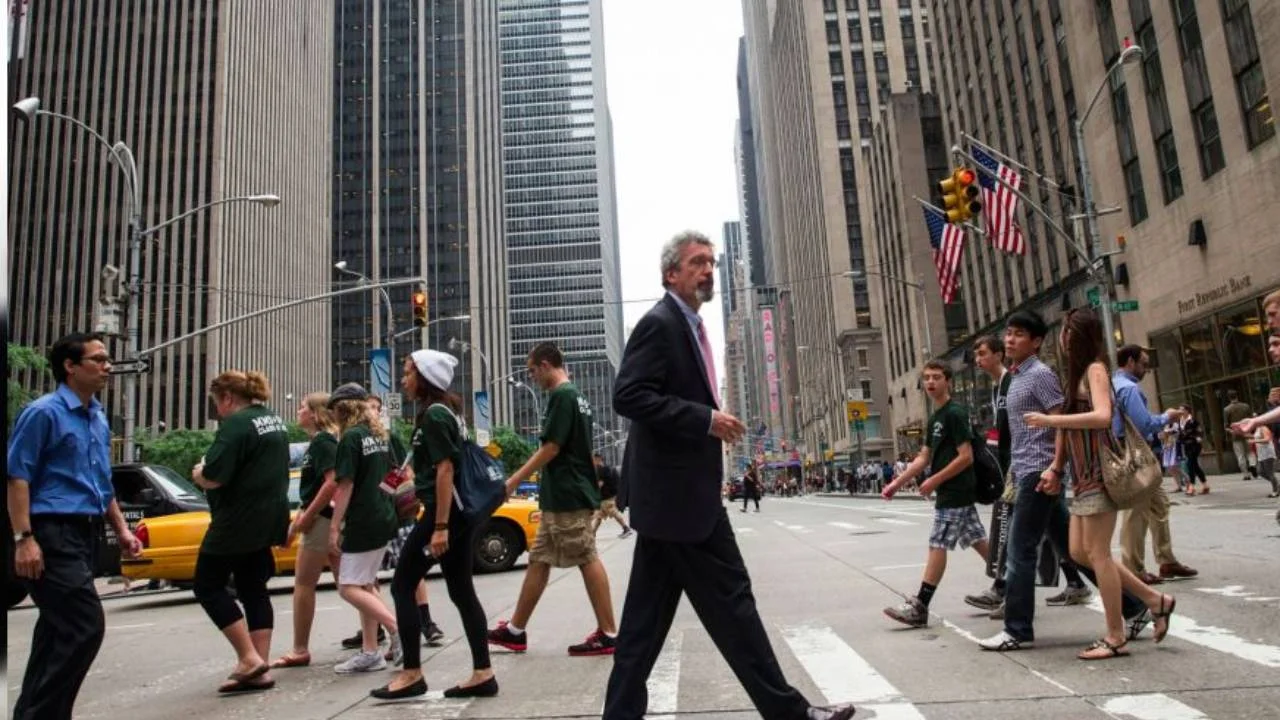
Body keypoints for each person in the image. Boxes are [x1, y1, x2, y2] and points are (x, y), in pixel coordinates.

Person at [602, 230, 855, 720]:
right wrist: (705, 419)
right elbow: (627, 395)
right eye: (697, 263)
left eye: (711, 263)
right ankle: (790, 714)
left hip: (674, 503)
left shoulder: (690, 326)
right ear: (670, 274)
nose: (707, 271)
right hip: (679, 502)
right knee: (732, 607)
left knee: (644, 629)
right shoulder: (660, 323)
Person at [979, 310, 1154, 653]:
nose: (1010, 339)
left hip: (1039, 472)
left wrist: (1054, 468)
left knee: (1020, 552)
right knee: (1074, 551)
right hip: (1030, 471)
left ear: (1037, 341)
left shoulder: (1042, 375)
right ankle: (1136, 606)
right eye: (1008, 333)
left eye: (1018, 334)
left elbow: (1061, 423)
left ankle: (1017, 629)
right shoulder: (1016, 376)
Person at [1023, 308, 1175, 660]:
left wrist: (1048, 418)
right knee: (1079, 552)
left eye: (1066, 332)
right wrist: (1056, 468)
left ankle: (1114, 635)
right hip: (1081, 475)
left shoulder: (1094, 369)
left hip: (1098, 473)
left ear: (1077, 336)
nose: (1062, 338)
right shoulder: (1074, 373)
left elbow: (1103, 415)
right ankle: (1155, 601)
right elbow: (1066, 427)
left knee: (1098, 554)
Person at [8, 333, 143, 719]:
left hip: (84, 532)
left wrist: (121, 530)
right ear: (70, 367)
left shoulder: (97, 417)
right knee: (84, 626)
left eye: (108, 359)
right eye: (98, 359)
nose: (108, 366)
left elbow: (101, 482)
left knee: (56, 631)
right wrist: (24, 539)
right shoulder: (43, 413)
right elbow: (17, 477)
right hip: (49, 531)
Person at [373, 350, 496, 699]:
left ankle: (412, 673)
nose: (403, 379)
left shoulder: (435, 416)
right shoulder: (446, 413)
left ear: (425, 377)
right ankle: (483, 673)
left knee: (402, 585)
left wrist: (440, 527)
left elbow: (445, 470)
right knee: (461, 591)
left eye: (408, 372)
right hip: (455, 515)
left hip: (447, 516)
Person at [487, 342, 619, 657]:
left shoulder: (562, 396)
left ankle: (609, 633)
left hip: (566, 494)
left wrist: (513, 480)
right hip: (565, 493)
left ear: (546, 365)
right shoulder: (579, 399)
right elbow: (585, 450)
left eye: (532, 371)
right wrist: (593, 488)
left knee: (586, 557)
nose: (532, 377)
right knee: (539, 559)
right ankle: (515, 631)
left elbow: (552, 448)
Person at [191, 370, 291, 693]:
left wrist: (199, 473)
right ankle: (259, 667)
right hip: (268, 517)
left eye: (216, 402)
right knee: (253, 587)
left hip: (237, 521)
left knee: (207, 585)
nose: (217, 410)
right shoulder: (272, 419)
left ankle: (247, 657)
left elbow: (216, 474)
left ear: (227, 398)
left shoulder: (236, 424)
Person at [881, 360, 990, 628]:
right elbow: (923, 457)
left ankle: (920, 605)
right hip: (950, 489)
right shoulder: (935, 418)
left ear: (948, 381)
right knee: (978, 539)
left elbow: (966, 457)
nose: (931, 382)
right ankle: (1011, 583)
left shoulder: (954, 413)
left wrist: (934, 480)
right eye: (927, 378)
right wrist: (896, 484)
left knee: (937, 543)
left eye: (937, 377)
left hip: (956, 489)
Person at [327, 383, 402, 674]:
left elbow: (345, 486)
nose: (333, 415)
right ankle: (370, 651)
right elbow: (396, 474)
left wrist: (334, 527)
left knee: (348, 588)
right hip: (383, 516)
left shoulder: (351, 438)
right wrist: (382, 495)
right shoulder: (381, 435)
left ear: (343, 409)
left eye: (334, 410)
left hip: (362, 520)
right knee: (365, 584)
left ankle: (398, 630)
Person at [1113, 345, 1198, 585]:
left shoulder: (1116, 384)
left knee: (1159, 504)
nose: (1146, 369)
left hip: (1134, 454)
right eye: (1144, 364)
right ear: (1130, 361)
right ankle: (1133, 569)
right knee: (1135, 511)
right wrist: (1167, 417)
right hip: (1135, 456)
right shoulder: (1128, 389)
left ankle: (1166, 560)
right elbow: (1143, 423)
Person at [272, 392, 342, 669]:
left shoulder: (323, 441)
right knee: (351, 584)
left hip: (322, 520)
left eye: (302, 407)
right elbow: (313, 490)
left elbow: (331, 483)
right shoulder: (321, 442)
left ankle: (300, 648)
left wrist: (305, 520)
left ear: (314, 414)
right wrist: (295, 526)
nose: (298, 411)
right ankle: (384, 635)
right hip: (323, 518)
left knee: (304, 583)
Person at [592, 453, 633, 537]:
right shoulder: (607, 468)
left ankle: (626, 528)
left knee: (614, 513)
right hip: (606, 496)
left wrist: (593, 493)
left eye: (594, 459)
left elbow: (600, 484)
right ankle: (593, 533)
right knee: (599, 517)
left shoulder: (601, 470)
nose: (593, 462)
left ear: (598, 459)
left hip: (606, 497)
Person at [1223, 390, 1256, 480]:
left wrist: (1231, 431)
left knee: (1240, 455)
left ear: (1229, 398)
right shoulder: (1246, 406)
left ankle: (1246, 474)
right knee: (1250, 452)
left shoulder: (1227, 409)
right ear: (1237, 395)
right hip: (1247, 432)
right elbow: (1251, 419)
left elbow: (1226, 425)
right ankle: (1252, 465)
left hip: (1236, 435)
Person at [1179, 406, 1209, 495]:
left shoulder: (1193, 421)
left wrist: (1199, 438)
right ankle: (1205, 485)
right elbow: (1180, 434)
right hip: (1186, 446)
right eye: (1180, 409)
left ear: (1187, 411)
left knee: (1190, 464)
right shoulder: (1180, 421)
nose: (1180, 411)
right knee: (1195, 466)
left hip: (1194, 445)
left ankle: (1191, 487)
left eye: (1182, 410)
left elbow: (1200, 432)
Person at [1253, 420, 1279, 497]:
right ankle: (1277, 485)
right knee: (1260, 472)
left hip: (1268, 453)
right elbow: (1255, 437)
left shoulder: (1264, 428)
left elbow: (1267, 439)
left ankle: (1275, 491)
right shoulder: (1257, 428)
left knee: (1270, 473)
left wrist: (1254, 441)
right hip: (1261, 454)